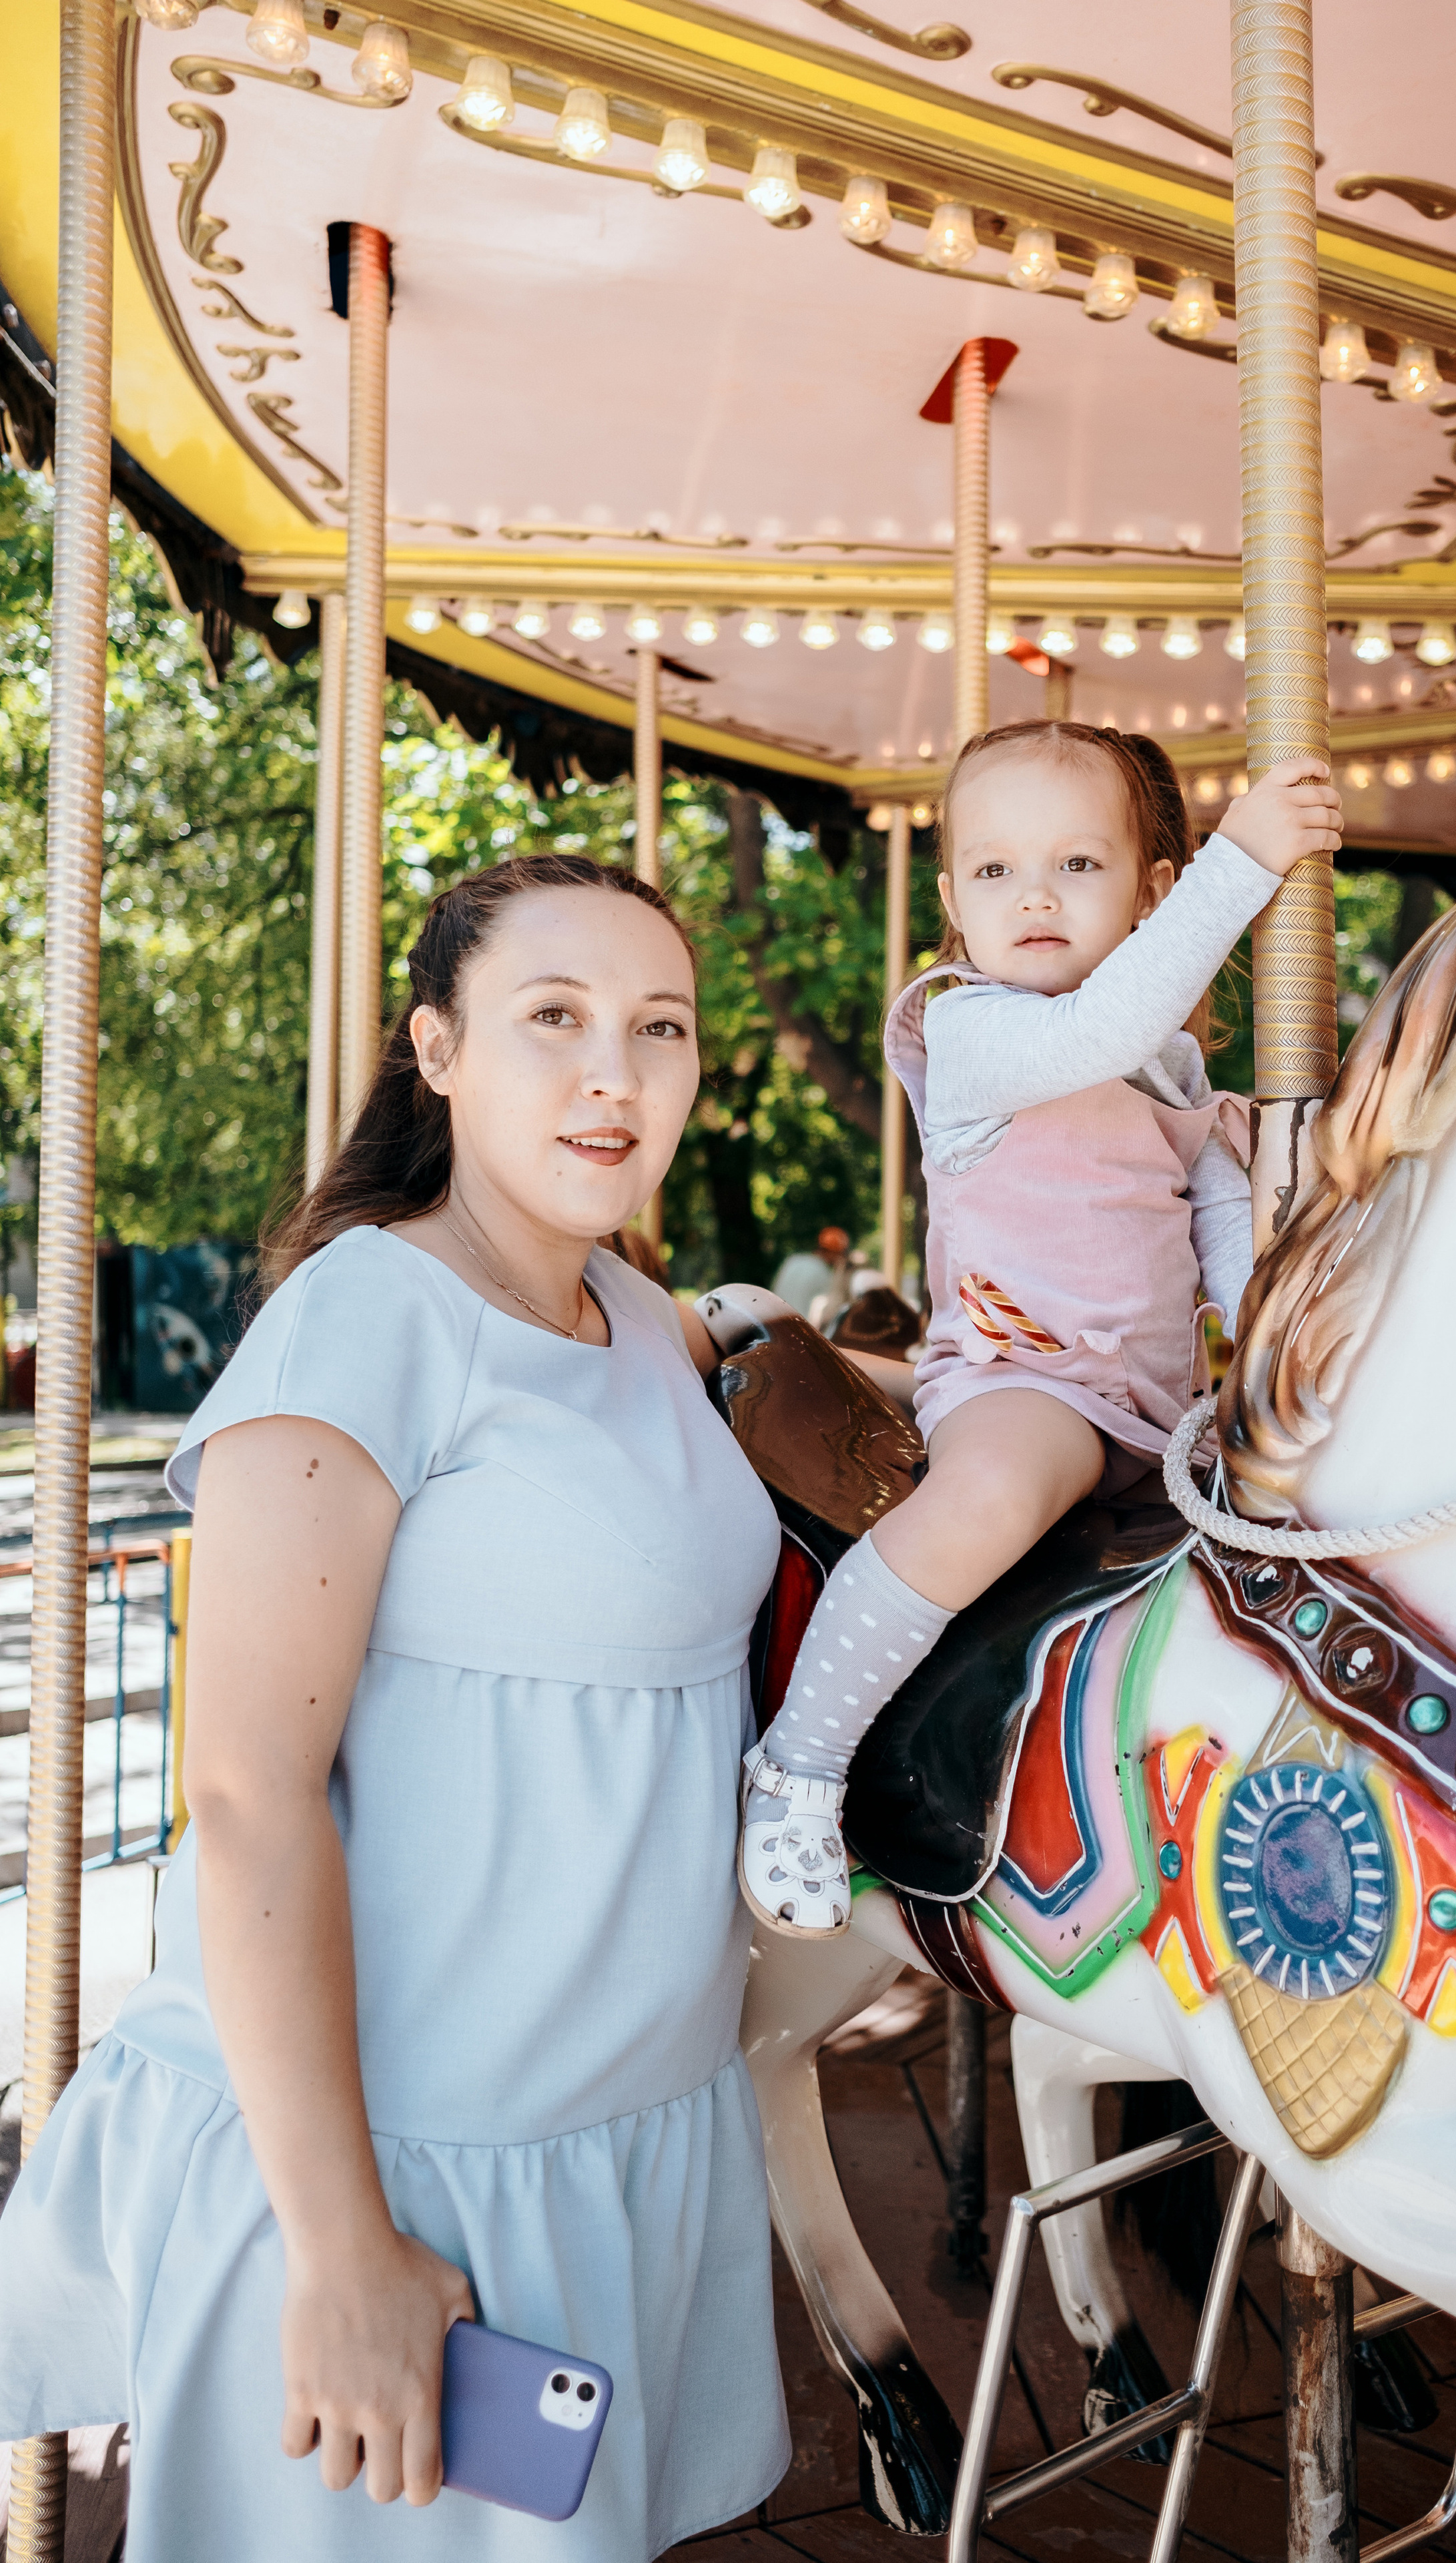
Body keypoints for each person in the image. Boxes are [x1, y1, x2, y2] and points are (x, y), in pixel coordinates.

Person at [0, 854, 789, 2559]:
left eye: (660, 1029)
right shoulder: (361, 1321)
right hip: (409, 2156)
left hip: (618, 2113)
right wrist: (344, 2240)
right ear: (436, 1048)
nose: (615, 1072)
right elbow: (247, 1793)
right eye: (553, 1019)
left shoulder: (647, 1323)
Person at [737, 720, 1340, 1932]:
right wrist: (1248, 861)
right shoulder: (972, 1031)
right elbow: (1097, 1033)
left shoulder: (1173, 1084)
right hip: (1025, 1382)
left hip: (1164, 1416)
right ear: (955, 900)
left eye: (1078, 865)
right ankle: (799, 1764)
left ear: (1147, 893)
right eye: (998, 871)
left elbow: (1236, 1270)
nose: (1036, 898)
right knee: (994, 1501)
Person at [771, 1224, 847, 1321]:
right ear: (834, 1253)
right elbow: (825, 1313)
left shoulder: (793, 1261)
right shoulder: (825, 1274)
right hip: (802, 1331)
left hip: (775, 1325)